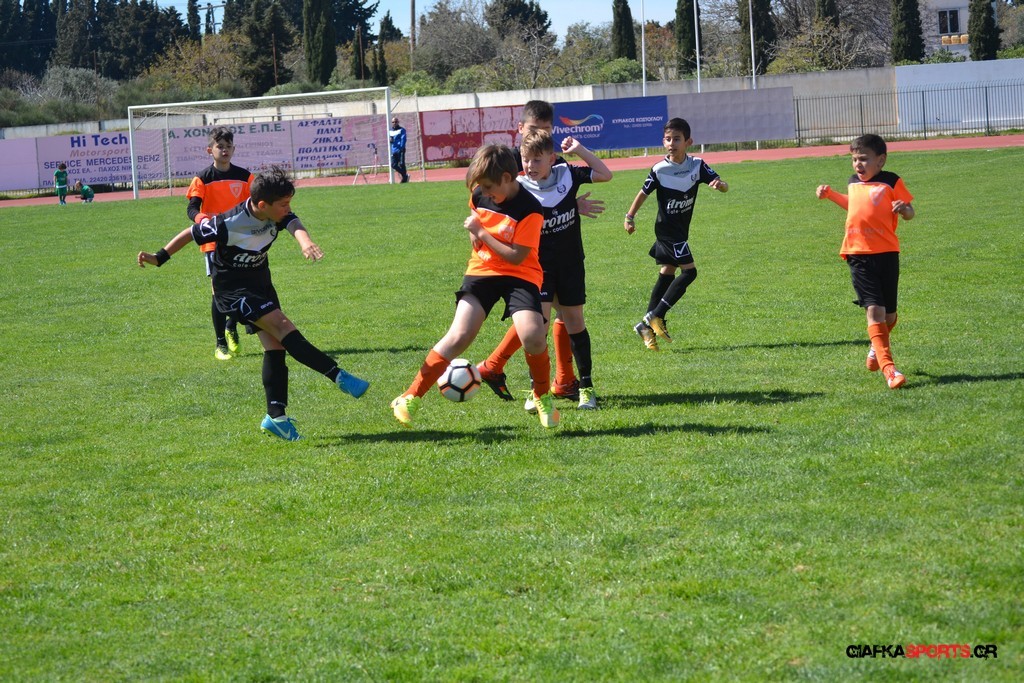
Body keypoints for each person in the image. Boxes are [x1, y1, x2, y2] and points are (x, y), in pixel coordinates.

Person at [137, 166, 370, 441]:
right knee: (282, 327)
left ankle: (276, 418)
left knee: (275, 346)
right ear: (262, 205)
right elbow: (190, 232)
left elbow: (294, 223)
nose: (288, 209)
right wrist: (159, 257)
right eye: (283, 204)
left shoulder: (276, 213)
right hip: (233, 290)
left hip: (261, 285)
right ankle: (338, 376)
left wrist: (305, 242)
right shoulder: (229, 222)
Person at [390, 144, 559, 430]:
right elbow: (475, 217)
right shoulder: (480, 193)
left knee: (532, 335)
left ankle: (542, 396)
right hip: (483, 271)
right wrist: (476, 235)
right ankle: (409, 397)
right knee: (459, 335)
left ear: (507, 178)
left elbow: (517, 256)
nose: (484, 192)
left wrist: (481, 232)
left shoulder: (530, 208)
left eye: (489, 187)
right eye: (481, 187)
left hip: (521, 274)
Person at [478, 129, 612, 411]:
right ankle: (537, 391)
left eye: (537, 160)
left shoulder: (567, 174)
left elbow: (605, 174)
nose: (530, 166)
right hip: (537, 269)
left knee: (575, 322)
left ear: (552, 158)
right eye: (526, 159)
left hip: (570, 262)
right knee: (537, 328)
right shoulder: (519, 188)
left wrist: (579, 149)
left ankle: (586, 388)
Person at [817, 134, 915, 389]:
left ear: (880, 161)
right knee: (874, 310)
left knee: (889, 316)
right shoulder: (853, 182)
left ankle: (875, 346)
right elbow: (853, 206)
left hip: (887, 253)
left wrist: (904, 208)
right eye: (854, 159)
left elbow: (910, 213)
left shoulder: (891, 181)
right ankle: (890, 370)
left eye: (863, 159)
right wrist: (830, 195)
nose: (857, 164)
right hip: (857, 253)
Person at [625, 117, 729, 351]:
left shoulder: (697, 165)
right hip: (668, 231)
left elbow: (721, 184)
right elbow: (643, 193)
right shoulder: (659, 169)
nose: (671, 143)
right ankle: (657, 315)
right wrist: (629, 217)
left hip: (681, 230)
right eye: (667, 139)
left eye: (677, 139)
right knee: (690, 272)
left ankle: (645, 326)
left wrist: (721, 186)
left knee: (668, 272)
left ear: (688, 142)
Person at [186, 126, 255, 361]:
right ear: (210, 150)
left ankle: (231, 325)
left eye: (228, 146)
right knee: (219, 293)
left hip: (240, 241)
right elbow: (192, 208)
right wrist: (202, 219)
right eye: (219, 146)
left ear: (234, 149)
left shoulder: (245, 177)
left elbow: (254, 204)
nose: (224, 150)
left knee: (242, 289)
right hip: (214, 243)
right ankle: (220, 345)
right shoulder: (202, 178)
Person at [389, 117, 410, 183]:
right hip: (394, 150)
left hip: (400, 150)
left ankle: (404, 179)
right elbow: (391, 139)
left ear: (398, 122)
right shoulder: (390, 131)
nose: (394, 123)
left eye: (396, 122)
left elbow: (403, 139)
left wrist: (401, 148)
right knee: (393, 165)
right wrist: (390, 140)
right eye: (393, 122)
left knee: (401, 164)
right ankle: (405, 176)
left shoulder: (402, 130)